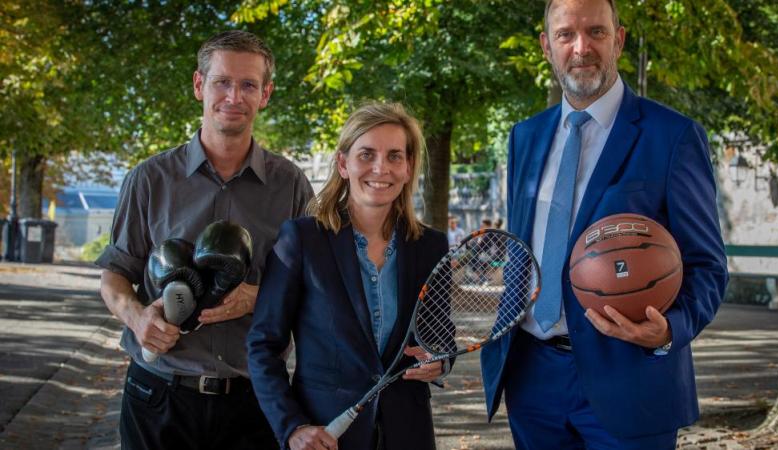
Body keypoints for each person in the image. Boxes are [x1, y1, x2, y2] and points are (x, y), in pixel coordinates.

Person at [480, 1, 728, 448]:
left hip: (630, 376)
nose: (581, 48)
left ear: (620, 39)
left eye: (596, 32)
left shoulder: (672, 136)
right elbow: (523, 250)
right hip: (532, 377)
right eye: (565, 35)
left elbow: (707, 266)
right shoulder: (525, 136)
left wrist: (670, 329)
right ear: (546, 46)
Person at [96, 30, 314, 449]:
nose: (234, 96)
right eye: (222, 82)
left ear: (265, 94)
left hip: (254, 401)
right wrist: (138, 318)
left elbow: (312, 284)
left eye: (248, 85)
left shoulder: (291, 186)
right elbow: (115, 275)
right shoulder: (149, 179)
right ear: (200, 86)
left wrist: (259, 295)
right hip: (158, 394)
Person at [247, 102, 449, 450]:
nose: (380, 168)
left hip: (408, 431)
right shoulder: (302, 239)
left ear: (408, 166)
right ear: (343, 163)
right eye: (366, 154)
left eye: (394, 156)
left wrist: (440, 361)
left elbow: (440, 334)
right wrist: (292, 427)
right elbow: (263, 346)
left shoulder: (430, 246)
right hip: (325, 434)